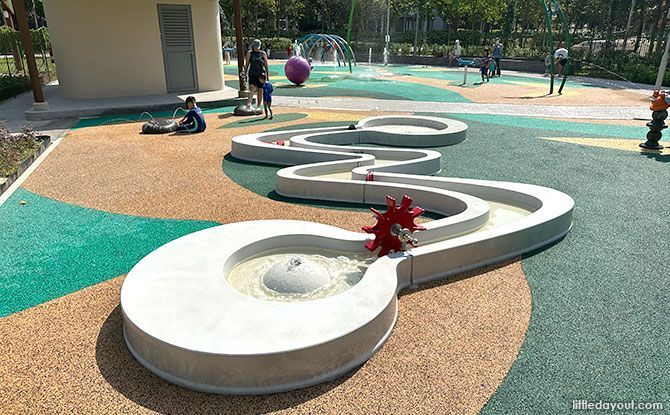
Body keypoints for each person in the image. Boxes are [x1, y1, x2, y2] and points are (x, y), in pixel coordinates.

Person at [244, 39, 270, 109]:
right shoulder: (250, 53)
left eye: (258, 47)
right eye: (255, 47)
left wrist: (268, 76)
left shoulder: (263, 53)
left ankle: (258, 106)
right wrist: (245, 74)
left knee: (260, 90)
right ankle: (249, 103)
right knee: (251, 88)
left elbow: (266, 65)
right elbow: (246, 64)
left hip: (261, 75)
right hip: (252, 73)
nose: (256, 48)